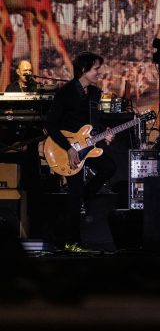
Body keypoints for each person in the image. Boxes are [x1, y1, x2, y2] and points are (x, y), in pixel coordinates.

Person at [45, 52, 115, 252]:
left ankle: (84, 197)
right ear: (84, 70)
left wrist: (105, 133)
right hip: (66, 150)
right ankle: (70, 241)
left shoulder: (94, 93)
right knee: (74, 194)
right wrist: (68, 148)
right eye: (96, 69)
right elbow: (50, 124)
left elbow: (94, 122)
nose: (99, 72)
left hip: (87, 147)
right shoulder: (65, 93)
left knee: (109, 167)